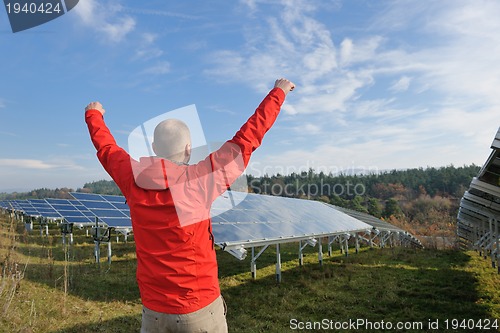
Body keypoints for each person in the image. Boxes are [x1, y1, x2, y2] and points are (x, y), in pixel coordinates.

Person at [84, 78, 295, 332]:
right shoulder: (200, 180)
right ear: (187, 149)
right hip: (200, 309)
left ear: (153, 148)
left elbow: (106, 148)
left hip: (154, 313)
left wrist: (93, 115)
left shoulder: (131, 177)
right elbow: (247, 139)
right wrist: (278, 93)